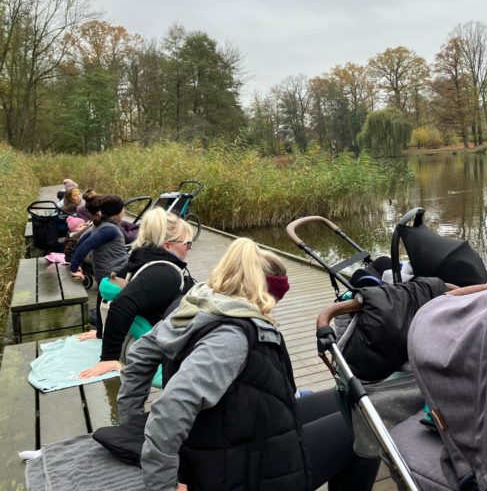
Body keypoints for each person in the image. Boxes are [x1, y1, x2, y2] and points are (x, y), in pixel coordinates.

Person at [117, 238, 380, 491]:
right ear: (263, 291)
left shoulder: (198, 304)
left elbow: (139, 354)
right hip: (236, 468)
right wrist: (161, 484)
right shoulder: (232, 336)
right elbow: (171, 408)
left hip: (234, 428)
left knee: (348, 401)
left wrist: (130, 424)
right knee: (368, 426)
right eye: (274, 301)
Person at [78, 207, 196, 376]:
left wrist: (101, 333)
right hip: (148, 353)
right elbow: (122, 305)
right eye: (187, 244)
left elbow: (107, 285)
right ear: (167, 245)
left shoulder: (141, 257)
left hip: (133, 341)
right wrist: (109, 358)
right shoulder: (166, 273)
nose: (189, 249)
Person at [70, 195, 129, 335]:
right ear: (120, 212)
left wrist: (76, 263)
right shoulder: (110, 229)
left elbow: (80, 241)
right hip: (116, 274)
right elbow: (86, 245)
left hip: (106, 274)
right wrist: (74, 267)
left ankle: (101, 329)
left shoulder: (99, 225)